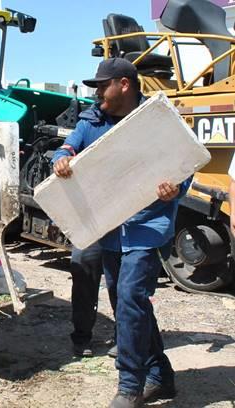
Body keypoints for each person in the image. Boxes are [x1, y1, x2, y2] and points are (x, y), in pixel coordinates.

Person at [52, 58, 188, 408]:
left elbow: (183, 163)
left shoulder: (156, 120)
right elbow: (67, 147)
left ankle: (129, 386)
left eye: (102, 85)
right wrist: (62, 158)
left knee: (129, 297)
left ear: (124, 84)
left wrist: (176, 187)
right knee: (129, 303)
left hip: (147, 225)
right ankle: (162, 376)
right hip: (110, 225)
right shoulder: (92, 120)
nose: (97, 93)